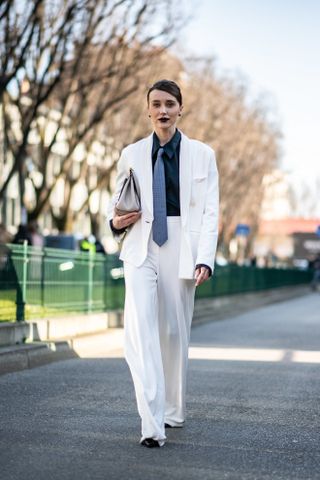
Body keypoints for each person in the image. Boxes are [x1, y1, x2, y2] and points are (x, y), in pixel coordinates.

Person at [107, 79, 219, 448]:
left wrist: (205, 258)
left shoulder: (203, 154)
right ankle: (152, 424)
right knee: (140, 333)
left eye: (170, 103)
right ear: (148, 110)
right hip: (140, 245)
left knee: (174, 332)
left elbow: (210, 212)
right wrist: (115, 222)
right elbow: (117, 203)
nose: (163, 110)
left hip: (182, 248)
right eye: (156, 103)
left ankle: (173, 408)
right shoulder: (131, 154)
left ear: (180, 108)